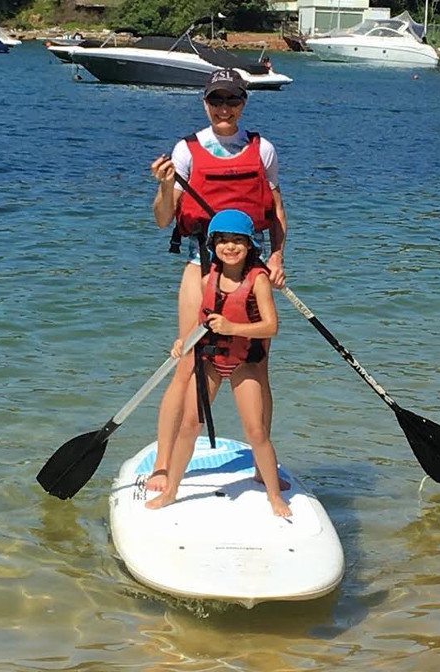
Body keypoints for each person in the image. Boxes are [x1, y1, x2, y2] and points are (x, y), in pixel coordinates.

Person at [148, 68, 288, 491]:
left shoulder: (263, 150)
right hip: (201, 265)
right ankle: (162, 460)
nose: (224, 108)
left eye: (232, 100)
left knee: (257, 368)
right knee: (187, 365)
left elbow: (277, 212)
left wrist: (278, 255)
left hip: (251, 269)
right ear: (205, 104)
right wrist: (163, 188)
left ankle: (265, 464)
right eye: (216, 100)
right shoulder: (187, 151)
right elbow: (162, 220)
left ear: (244, 103)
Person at [146, 210, 291, 517]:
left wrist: (232, 328)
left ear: (250, 245)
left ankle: (274, 495)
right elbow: (202, 319)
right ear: (213, 245)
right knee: (189, 425)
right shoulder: (208, 276)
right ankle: (171, 491)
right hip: (211, 360)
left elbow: (271, 326)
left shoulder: (258, 279)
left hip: (244, 363)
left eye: (237, 241)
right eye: (223, 241)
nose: (230, 247)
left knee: (256, 431)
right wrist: (183, 341)